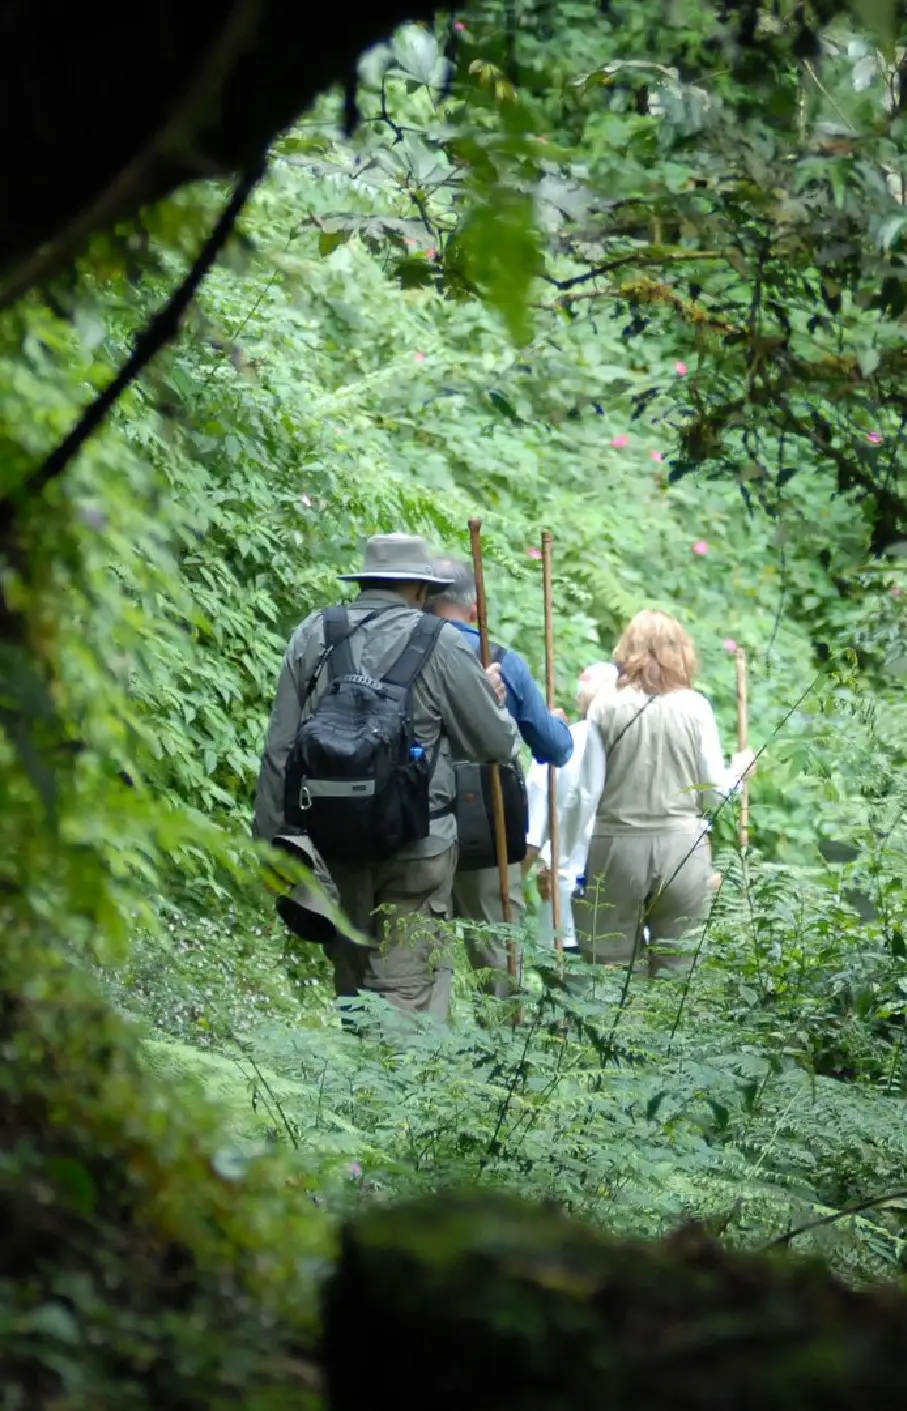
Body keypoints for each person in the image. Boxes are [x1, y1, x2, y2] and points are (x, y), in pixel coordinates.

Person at [254, 534, 519, 1019]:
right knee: (408, 992)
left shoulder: (314, 634)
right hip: (420, 844)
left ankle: (360, 1065)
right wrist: (489, 699)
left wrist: (273, 845)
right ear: (420, 589)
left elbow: (279, 751)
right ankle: (398, 1067)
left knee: (352, 982)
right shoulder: (442, 642)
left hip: (333, 841)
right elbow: (497, 746)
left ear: (366, 580)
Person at [563, 609, 756, 977]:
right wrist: (739, 772)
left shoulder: (604, 705)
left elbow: (587, 792)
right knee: (678, 972)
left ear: (627, 649)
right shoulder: (695, 707)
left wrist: (567, 857)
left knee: (611, 969)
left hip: (616, 849)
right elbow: (714, 794)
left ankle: (622, 1017)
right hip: (682, 849)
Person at [426, 556, 573, 995]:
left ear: (420, 599)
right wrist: (556, 723)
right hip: (486, 827)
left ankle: (419, 1034)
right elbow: (555, 749)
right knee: (497, 954)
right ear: (474, 608)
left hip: (415, 822)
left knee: (417, 955)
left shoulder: (402, 651)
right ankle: (504, 1031)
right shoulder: (500, 660)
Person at [525, 661, 620, 952]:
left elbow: (531, 834)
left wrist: (512, 887)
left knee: (566, 973)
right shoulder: (636, 747)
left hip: (563, 897)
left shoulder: (558, 746)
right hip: (621, 900)